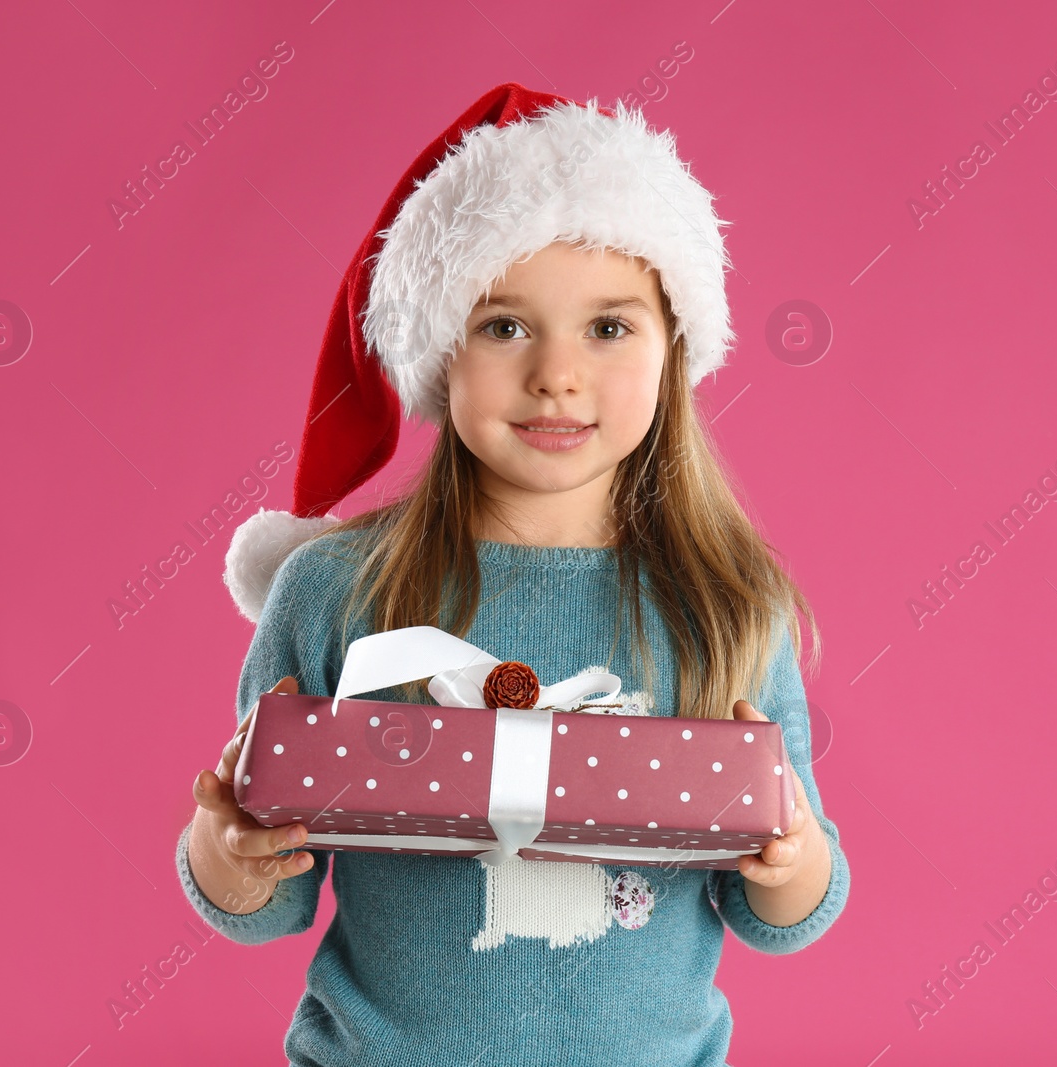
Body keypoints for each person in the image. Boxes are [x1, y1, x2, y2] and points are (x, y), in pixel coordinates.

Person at [176, 82, 850, 1066]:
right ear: (439, 348)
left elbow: (783, 912)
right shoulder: (333, 592)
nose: (557, 374)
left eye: (608, 327)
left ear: (675, 348)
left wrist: (791, 854)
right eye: (504, 326)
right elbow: (265, 902)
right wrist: (224, 845)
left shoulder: (726, 606)